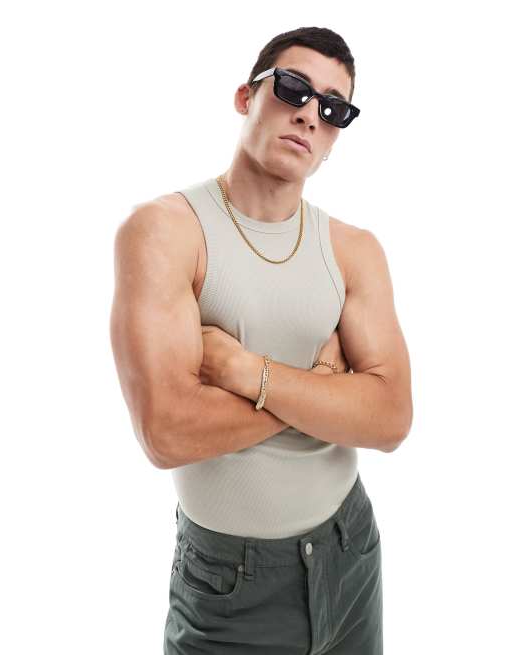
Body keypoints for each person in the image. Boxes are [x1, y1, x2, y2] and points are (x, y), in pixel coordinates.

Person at [110, 25, 413, 655]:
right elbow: (167, 433)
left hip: (349, 551)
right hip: (229, 585)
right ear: (246, 96)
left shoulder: (353, 251)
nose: (309, 114)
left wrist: (248, 372)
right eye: (294, 88)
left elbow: (390, 420)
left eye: (333, 108)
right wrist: (326, 392)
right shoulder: (167, 232)